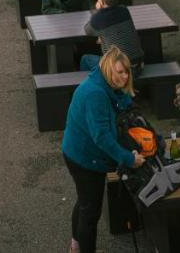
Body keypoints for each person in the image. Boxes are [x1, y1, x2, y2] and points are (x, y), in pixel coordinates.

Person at [61, 47, 143, 253]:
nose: (124, 77)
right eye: (120, 72)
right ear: (108, 69)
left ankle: (75, 246)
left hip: (76, 151)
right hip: (85, 159)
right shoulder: (95, 94)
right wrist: (128, 159)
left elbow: (121, 100)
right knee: (90, 212)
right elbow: (102, 137)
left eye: (126, 72)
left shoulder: (105, 82)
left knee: (84, 202)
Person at [81, 0, 144, 73]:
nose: (97, 0)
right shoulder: (124, 10)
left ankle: (95, 85)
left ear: (102, 1)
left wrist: (97, 11)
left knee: (85, 59)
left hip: (119, 72)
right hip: (138, 66)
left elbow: (87, 30)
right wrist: (102, 36)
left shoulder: (98, 18)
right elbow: (114, 29)